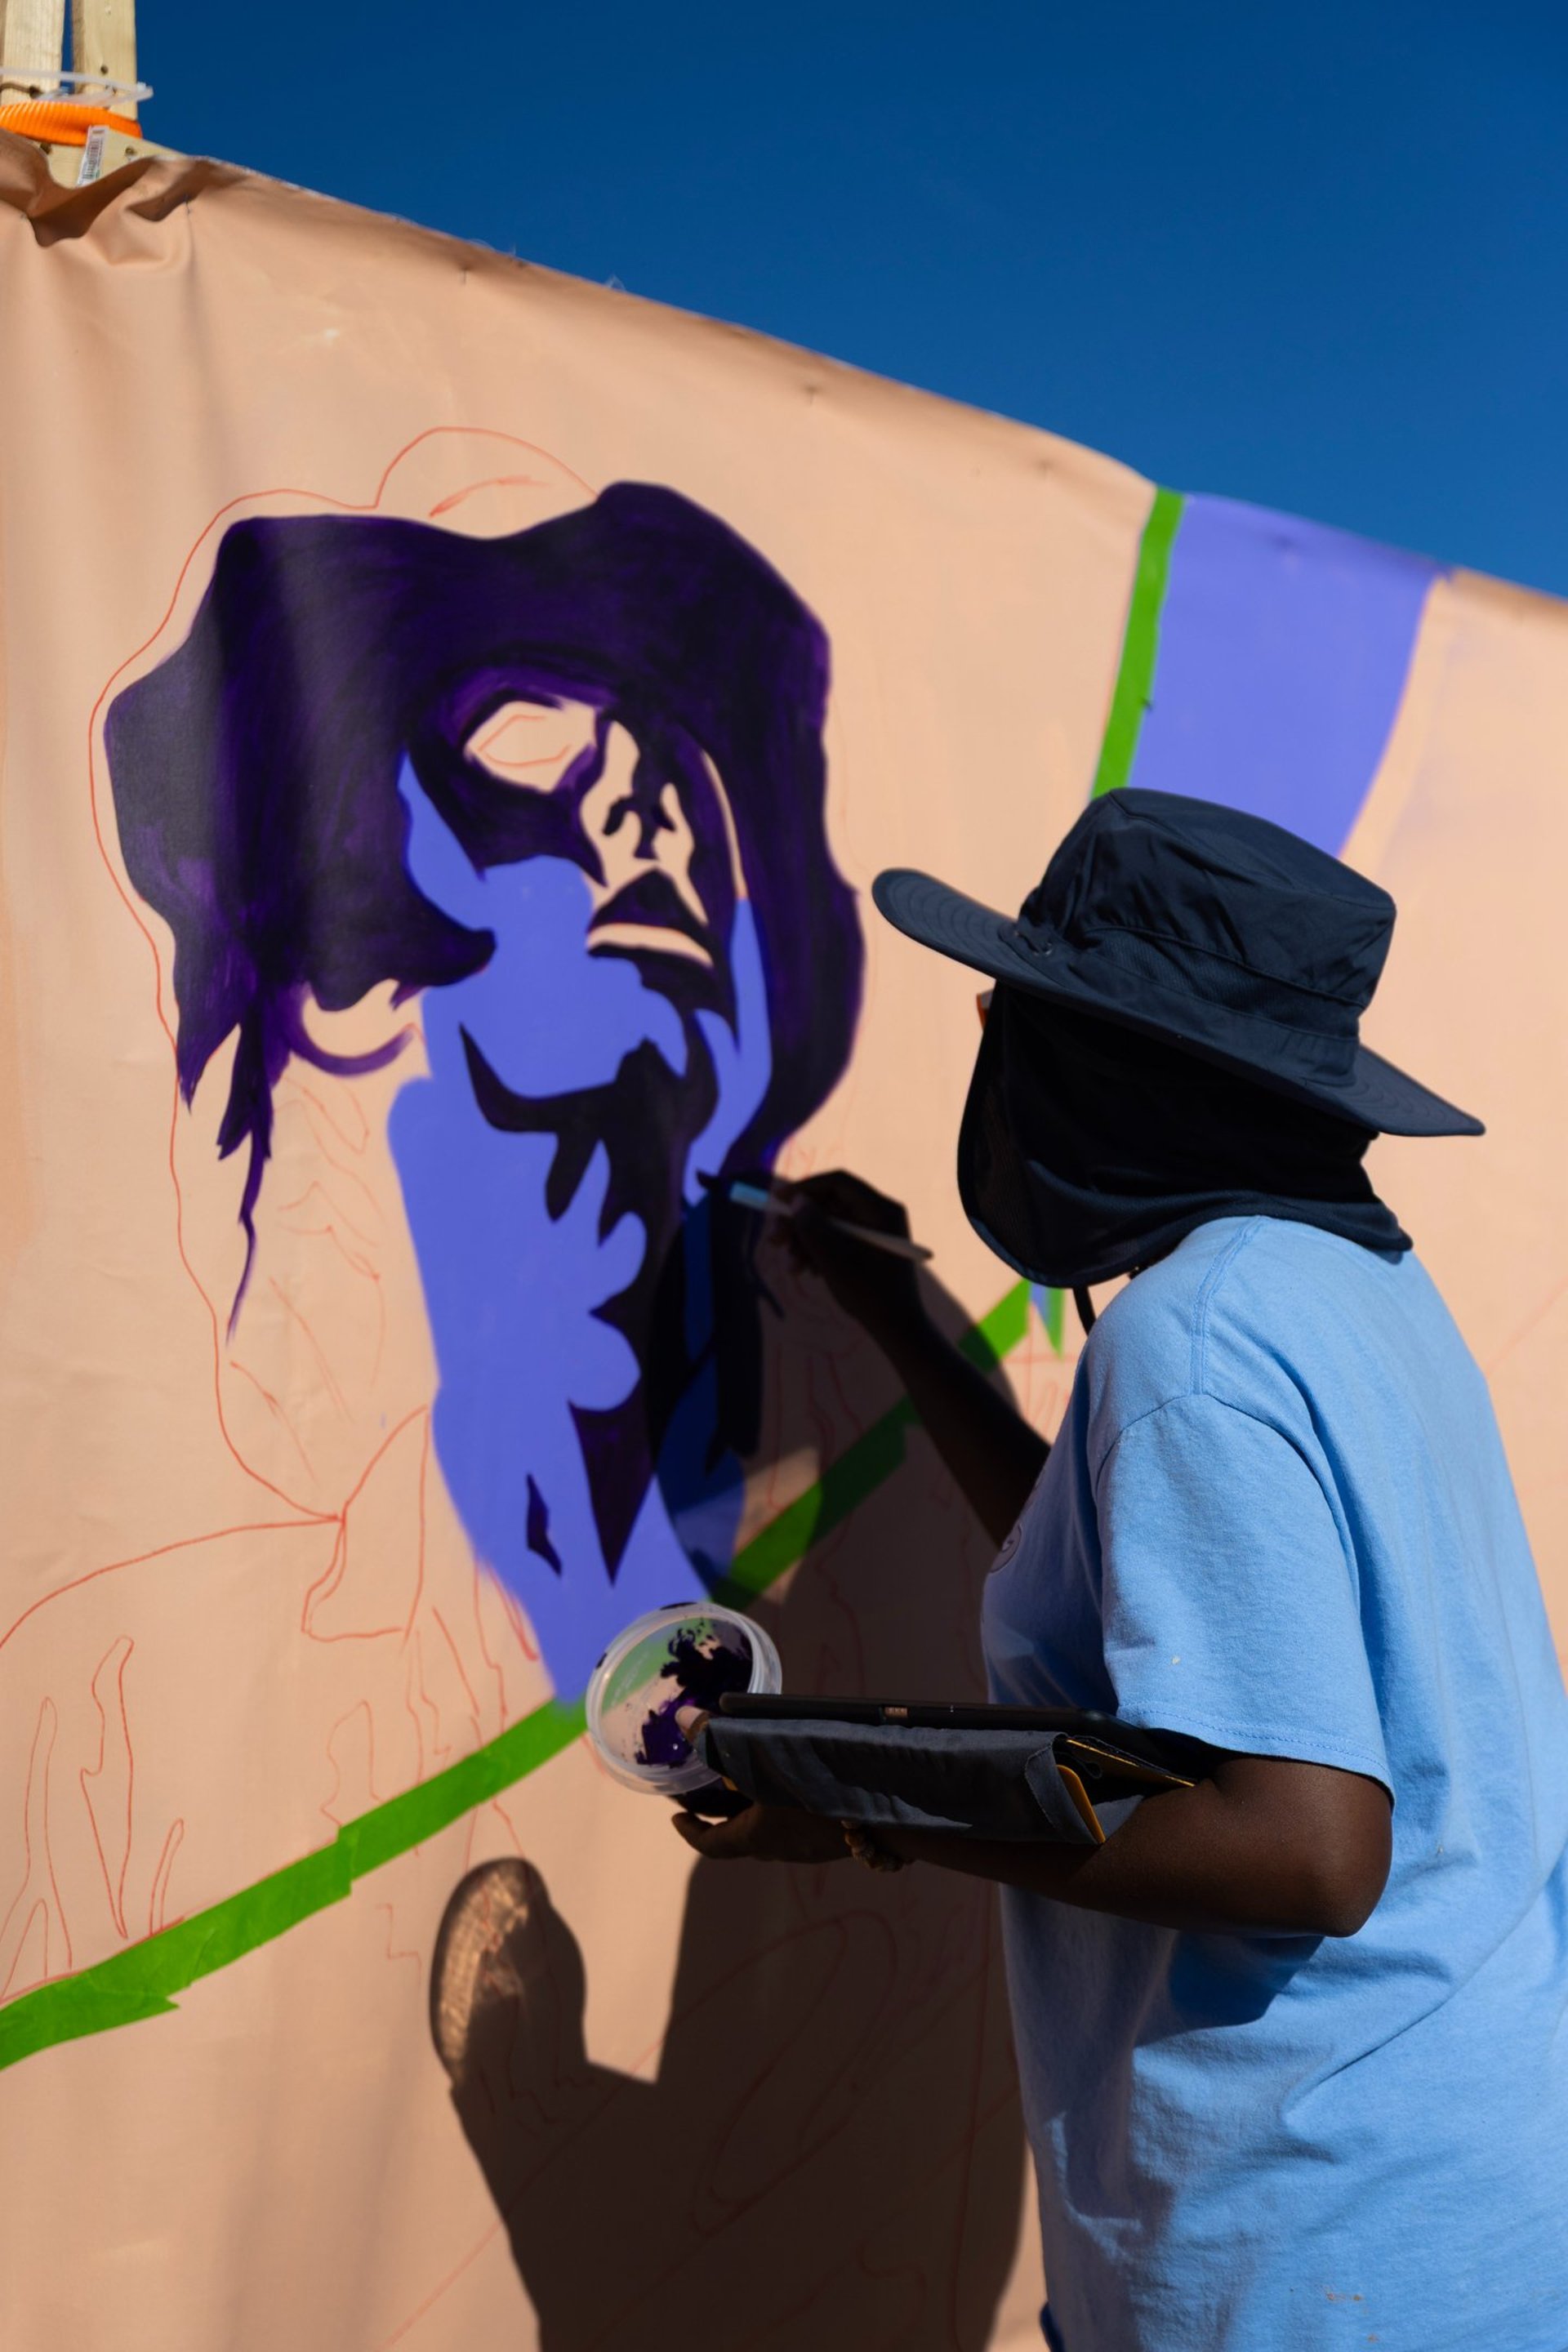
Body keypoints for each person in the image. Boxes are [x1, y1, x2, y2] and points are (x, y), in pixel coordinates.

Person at [674, 786, 1568, 2352]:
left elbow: (1307, 1847)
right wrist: (907, 1324)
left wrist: (861, 1798)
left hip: (1313, 2255)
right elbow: (1128, 1577)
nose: (989, 1038)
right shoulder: (1340, 1282)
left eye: (1022, 1010)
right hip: (1462, 2209)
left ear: (1116, 1064)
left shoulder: (1194, 1342)